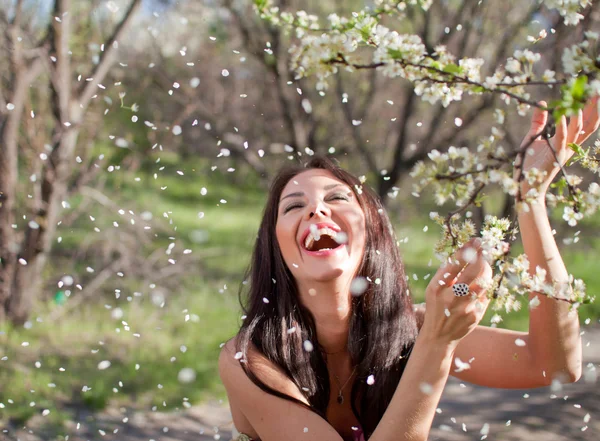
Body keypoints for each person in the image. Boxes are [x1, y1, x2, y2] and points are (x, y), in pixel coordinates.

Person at [218, 97, 600, 441]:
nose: (317, 211)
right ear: (275, 245)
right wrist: (438, 342)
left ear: (372, 231)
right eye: (293, 206)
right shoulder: (250, 359)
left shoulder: (406, 331)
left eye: (336, 197)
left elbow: (556, 365)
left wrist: (530, 200)